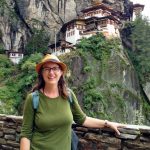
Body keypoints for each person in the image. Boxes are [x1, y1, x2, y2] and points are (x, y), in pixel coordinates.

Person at [20, 54, 124, 150]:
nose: (51, 72)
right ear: (42, 73)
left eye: (55, 68)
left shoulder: (68, 95)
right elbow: (26, 133)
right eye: (47, 69)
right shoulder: (33, 99)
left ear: (61, 72)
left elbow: (82, 119)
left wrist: (106, 123)